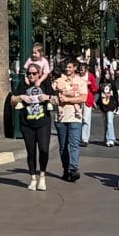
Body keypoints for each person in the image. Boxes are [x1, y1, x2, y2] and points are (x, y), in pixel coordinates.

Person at [8, 57, 57, 191]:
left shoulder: (45, 84)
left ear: (39, 73)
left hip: (43, 123)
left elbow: (56, 100)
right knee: (31, 152)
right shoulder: (23, 85)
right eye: (29, 73)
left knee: (44, 150)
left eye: (34, 73)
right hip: (27, 123)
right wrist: (21, 97)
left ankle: (42, 176)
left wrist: (46, 98)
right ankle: (33, 178)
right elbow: (12, 99)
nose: (31, 76)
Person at [51, 58, 89, 181]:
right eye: (66, 67)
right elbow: (55, 95)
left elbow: (83, 98)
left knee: (74, 144)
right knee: (63, 146)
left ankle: (73, 169)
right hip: (61, 117)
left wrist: (67, 99)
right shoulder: (59, 80)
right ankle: (66, 168)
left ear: (75, 68)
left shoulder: (81, 81)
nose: (68, 69)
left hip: (75, 117)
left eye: (70, 67)